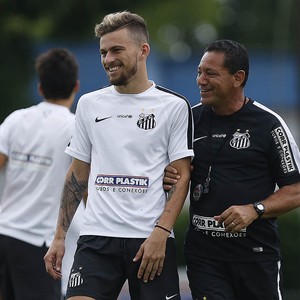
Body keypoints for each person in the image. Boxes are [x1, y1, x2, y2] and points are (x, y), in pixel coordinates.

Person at [44, 11, 194, 300]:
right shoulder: (89, 104)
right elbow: (78, 173)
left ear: (143, 51)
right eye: (103, 52)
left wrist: (161, 233)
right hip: (97, 238)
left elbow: (182, 174)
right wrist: (60, 237)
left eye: (116, 50)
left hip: (149, 239)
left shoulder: (174, 106)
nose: (107, 59)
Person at [163, 39, 300, 300]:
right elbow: (170, 171)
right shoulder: (189, 120)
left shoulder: (269, 125)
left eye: (211, 73)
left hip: (256, 256)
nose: (200, 80)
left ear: (238, 78)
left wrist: (255, 210)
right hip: (204, 257)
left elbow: (296, 189)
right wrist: (167, 175)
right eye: (199, 72)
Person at [0, 48, 80, 300]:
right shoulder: (75, 127)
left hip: (4, 235)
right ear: (75, 86)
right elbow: (85, 184)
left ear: (40, 88)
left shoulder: (16, 119)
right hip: (39, 244)